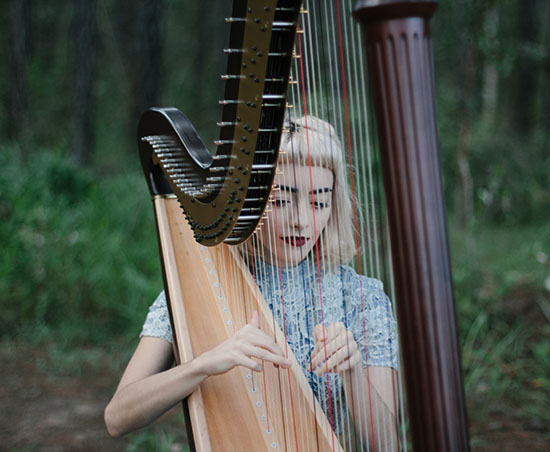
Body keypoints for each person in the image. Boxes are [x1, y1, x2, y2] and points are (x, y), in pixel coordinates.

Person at [105, 116, 399, 450]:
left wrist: (353, 372)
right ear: (251, 201)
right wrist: (205, 364)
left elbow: (387, 444)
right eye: (282, 200)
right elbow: (118, 417)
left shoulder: (362, 297)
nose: (301, 221)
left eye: (319, 202)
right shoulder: (194, 287)